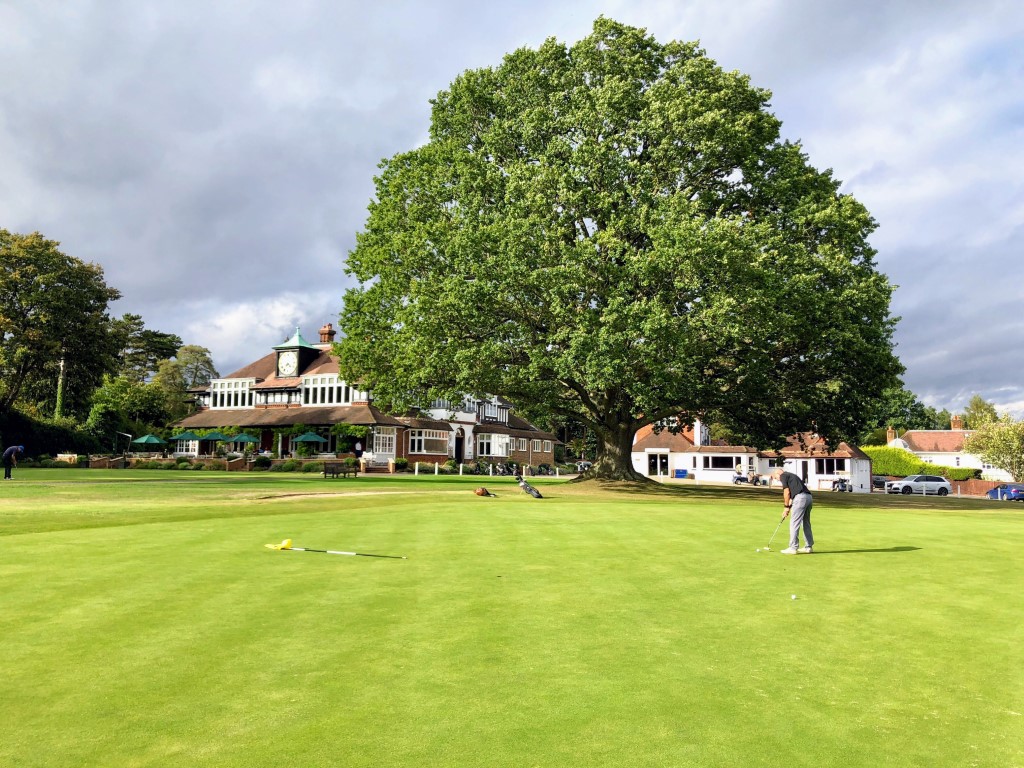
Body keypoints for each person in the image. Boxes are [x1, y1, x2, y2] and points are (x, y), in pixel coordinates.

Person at [771, 466, 813, 554]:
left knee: (794, 522)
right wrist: (788, 507)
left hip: (800, 498)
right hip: (808, 497)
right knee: (806, 522)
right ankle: (808, 547)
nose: (778, 480)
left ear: (778, 473)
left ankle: (793, 547)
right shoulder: (792, 476)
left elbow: (787, 492)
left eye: (776, 478)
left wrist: (785, 507)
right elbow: (792, 494)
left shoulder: (783, 476)